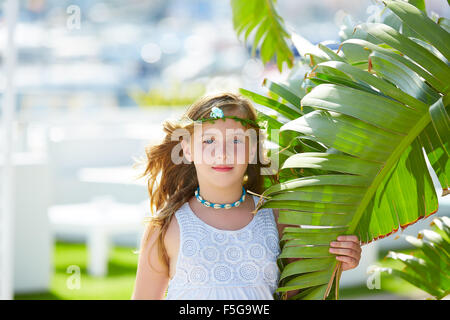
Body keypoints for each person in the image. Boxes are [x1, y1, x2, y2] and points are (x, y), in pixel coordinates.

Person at [131, 92, 361, 300]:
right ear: (188, 149)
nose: (222, 153)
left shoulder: (278, 217)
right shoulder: (166, 227)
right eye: (209, 140)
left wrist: (337, 263)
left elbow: (304, 293)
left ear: (252, 149)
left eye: (236, 141)